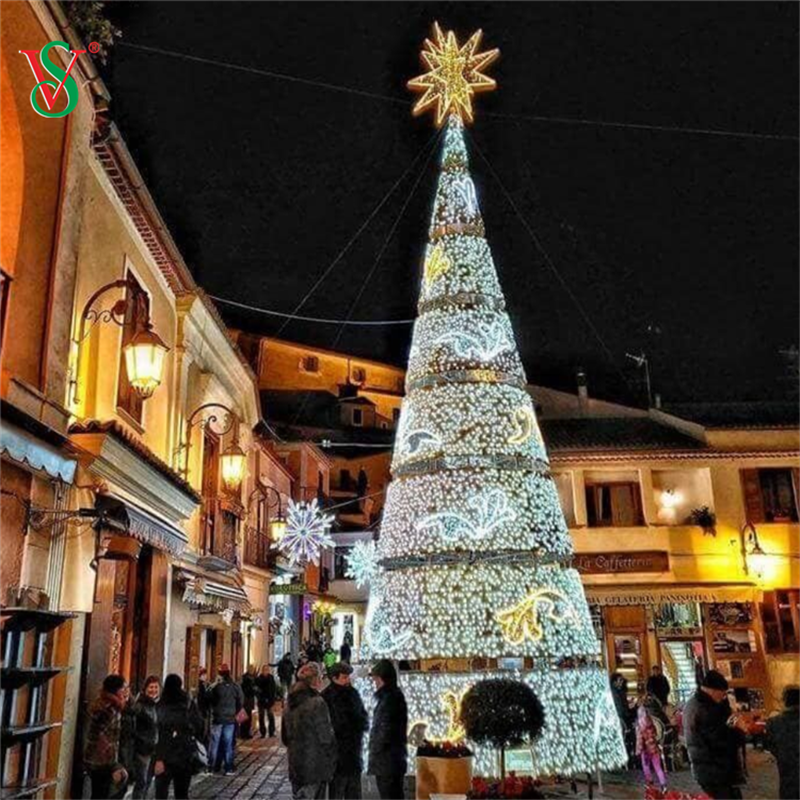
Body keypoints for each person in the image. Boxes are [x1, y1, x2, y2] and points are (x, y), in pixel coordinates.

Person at [683, 669, 748, 799]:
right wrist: (741, 730)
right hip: (715, 771)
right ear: (712, 690)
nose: (723, 697)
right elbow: (722, 742)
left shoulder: (695, 703)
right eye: (722, 694)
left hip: (709, 769)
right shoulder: (705, 710)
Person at [281, 662, 337, 799]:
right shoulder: (317, 703)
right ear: (316, 680)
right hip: (315, 767)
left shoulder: (290, 703)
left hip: (296, 765)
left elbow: (284, 737)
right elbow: (326, 737)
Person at [153, 674, 204, 800]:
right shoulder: (188, 703)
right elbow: (199, 725)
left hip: (165, 755)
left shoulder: (161, 705)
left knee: (161, 792)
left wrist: (158, 758)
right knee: (182, 793)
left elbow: (158, 733)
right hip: (184, 754)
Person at [323, 662, 369, 799]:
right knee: (337, 791)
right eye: (344, 677)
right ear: (334, 678)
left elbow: (362, 714)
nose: (348, 680)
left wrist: (362, 725)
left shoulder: (353, 693)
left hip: (354, 753)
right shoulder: (327, 697)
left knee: (354, 792)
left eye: (348, 677)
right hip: (337, 756)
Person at [84, 674, 129, 799]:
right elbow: (102, 739)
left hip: (99, 761)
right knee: (104, 793)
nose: (126, 692)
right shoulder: (108, 709)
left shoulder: (110, 706)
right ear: (116, 690)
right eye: (123, 689)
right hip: (102, 762)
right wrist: (114, 766)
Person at [368, 660, 408, 800]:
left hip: (387, 762)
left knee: (389, 794)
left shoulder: (389, 700)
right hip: (391, 760)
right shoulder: (392, 697)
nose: (375, 683)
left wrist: (374, 749)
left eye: (376, 679)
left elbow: (384, 731)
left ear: (383, 679)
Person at [208, 663, 244, 775]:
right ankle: (228, 768)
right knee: (228, 745)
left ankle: (212, 767)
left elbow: (209, 699)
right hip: (230, 719)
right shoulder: (235, 686)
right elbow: (240, 701)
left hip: (218, 718)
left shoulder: (216, 687)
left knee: (214, 744)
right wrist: (235, 711)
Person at [765, 685, 799, 800]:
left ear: (784, 701)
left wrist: (782, 754)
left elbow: (769, 745)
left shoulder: (773, 723)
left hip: (787, 774)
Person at [130, 676, 161, 799]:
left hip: (155, 748)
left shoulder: (158, 704)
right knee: (141, 782)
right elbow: (133, 726)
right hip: (143, 748)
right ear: (145, 689)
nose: (153, 690)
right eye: (151, 687)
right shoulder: (140, 704)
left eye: (156, 687)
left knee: (148, 781)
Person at [636, 705, 667, 794]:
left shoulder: (639, 726)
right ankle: (663, 785)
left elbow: (640, 740)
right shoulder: (651, 723)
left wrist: (638, 750)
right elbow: (656, 734)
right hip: (654, 748)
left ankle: (650, 783)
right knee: (658, 767)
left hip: (645, 750)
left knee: (646, 766)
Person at [256, 664, 278, 738]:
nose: (266, 671)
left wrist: (273, 699)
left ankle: (271, 732)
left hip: (270, 700)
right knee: (261, 717)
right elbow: (257, 690)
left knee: (271, 716)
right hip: (261, 700)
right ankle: (263, 732)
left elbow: (273, 689)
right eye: (264, 669)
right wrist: (260, 697)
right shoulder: (259, 679)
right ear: (262, 670)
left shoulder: (271, 678)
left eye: (267, 669)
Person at [240, 666, 257, 739]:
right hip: (247, 701)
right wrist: (254, 690)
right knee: (247, 718)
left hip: (246, 701)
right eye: (252, 669)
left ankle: (244, 733)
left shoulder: (246, 678)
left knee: (245, 717)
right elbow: (249, 690)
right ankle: (245, 733)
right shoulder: (248, 679)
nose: (252, 671)